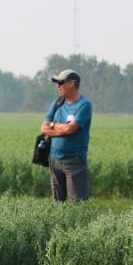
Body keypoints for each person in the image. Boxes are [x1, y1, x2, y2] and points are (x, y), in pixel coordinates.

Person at [40, 69, 92, 202]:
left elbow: (71, 129)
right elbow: (44, 128)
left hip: (74, 160)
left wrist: (54, 125)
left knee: (77, 204)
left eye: (61, 83)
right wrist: (60, 127)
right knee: (58, 203)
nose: (58, 86)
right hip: (54, 159)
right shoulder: (58, 103)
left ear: (72, 84)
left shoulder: (84, 105)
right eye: (57, 83)